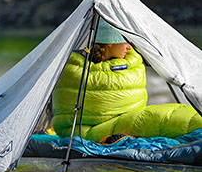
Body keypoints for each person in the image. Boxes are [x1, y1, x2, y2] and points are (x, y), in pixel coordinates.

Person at [52, 19, 202, 142]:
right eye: (124, 41)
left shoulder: (129, 63)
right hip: (86, 130)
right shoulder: (77, 69)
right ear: (109, 42)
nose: (129, 47)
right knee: (163, 119)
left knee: (173, 114)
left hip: (126, 118)